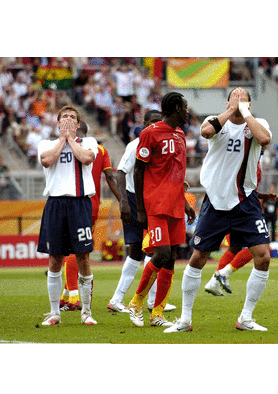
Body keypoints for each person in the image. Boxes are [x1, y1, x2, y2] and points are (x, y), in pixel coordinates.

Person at [165, 87, 273, 334]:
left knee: (263, 256)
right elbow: (206, 132)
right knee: (198, 257)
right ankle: (185, 319)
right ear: (226, 103)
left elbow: (265, 139)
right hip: (216, 201)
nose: (238, 99)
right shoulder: (215, 121)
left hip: (245, 200)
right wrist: (231, 110)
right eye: (234, 96)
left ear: (249, 105)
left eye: (243, 98)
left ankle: (246, 317)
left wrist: (244, 112)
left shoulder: (257, 123)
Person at [128, 92, 196, 328]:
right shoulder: (150, 133)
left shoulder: (180, 134)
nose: (187, 111)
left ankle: (157, 314)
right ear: (176, 108)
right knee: (161, 253)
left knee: (171, 259)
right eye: (185, 107)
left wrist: (185, 203)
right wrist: (140, 209)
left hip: (175, 205)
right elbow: (138, 171)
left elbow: (175, 173)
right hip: (155, 204)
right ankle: (136, 303)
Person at [108, 110, 175, 314]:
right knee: (145, 250)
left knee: (147, 250)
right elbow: (120, 173)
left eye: (158, 122)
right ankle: (124, 299)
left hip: (151, 201)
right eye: (151, 122)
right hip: (134, 200)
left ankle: (132, 299)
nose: (155, 125)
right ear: (144, 124)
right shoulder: (135, 145)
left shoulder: (160, 145)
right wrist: (124, 202)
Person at [37, 106, 98, 326]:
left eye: (73, 117)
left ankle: (86, 312)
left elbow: (86, 158)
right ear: (57, 123)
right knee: (55, 259)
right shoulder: (46, 144)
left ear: (79, 124)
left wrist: (70, 138)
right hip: (55, 203)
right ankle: (55, 313)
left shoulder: (88, 142)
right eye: (64, 117)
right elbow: (47, 160)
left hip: (79, 203)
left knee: (83, 258)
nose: (68, 119)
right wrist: (62, 139)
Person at [60, 122, 120, 311]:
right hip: (92, 206)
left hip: (71, 203)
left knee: (72, 249)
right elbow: (110, 177)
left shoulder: (65, 148)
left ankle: (73, 297)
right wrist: (122, 200)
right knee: (80, 249)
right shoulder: (100, 150)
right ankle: (66, 295)